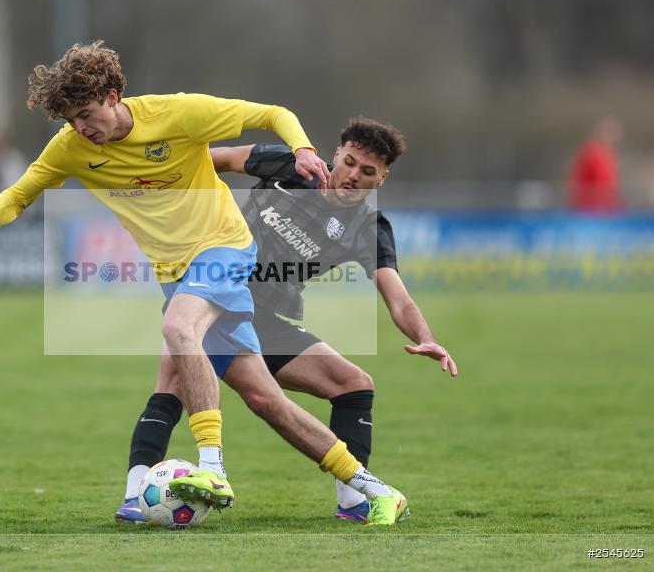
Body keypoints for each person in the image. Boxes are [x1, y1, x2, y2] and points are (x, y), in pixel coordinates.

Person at [0, 41, 407, 524]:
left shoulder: (177, 113)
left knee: (177, 330)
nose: (80, 127)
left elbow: (274, 113)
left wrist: (301, 149)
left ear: (112, 96)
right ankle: (373, 489)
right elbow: (21, 193)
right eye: (70, 119)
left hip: (224, 247)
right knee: (264, 400)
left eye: (85, 114)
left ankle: (212, 467)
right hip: (176, 274)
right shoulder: (70, 147)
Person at [116, 117, 455, 524]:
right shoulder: (291, 165)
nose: (353, 176)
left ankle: (353, 501)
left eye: (367, 171)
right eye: (349, 162)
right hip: (213, 292)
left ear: (382, 178)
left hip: (264, 320)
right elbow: (211, 159)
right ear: (336, 155)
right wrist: (160, 185)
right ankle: (135, 497)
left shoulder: (368, 227)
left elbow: (398, 298)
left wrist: (426, 337)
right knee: (174, 384)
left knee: (353, 384)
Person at [567, 116, 625, 214]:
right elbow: (602, 185)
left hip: (592, 207)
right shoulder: (596, 152)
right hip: (592, 209)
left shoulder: (604, 153)